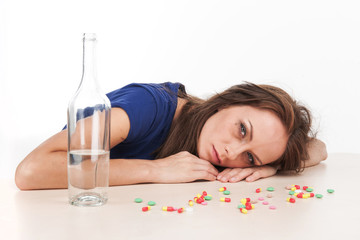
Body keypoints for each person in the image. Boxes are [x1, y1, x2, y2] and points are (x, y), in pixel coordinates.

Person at [15, 82, 327, 190]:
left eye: (249, 155)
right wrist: (156, 170)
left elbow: (319, 149)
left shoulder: (218, 150)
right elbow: (31, 171)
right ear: (227, 101)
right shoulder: (148, 106)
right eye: (242, 130)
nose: (232, 153)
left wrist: (268, 166)